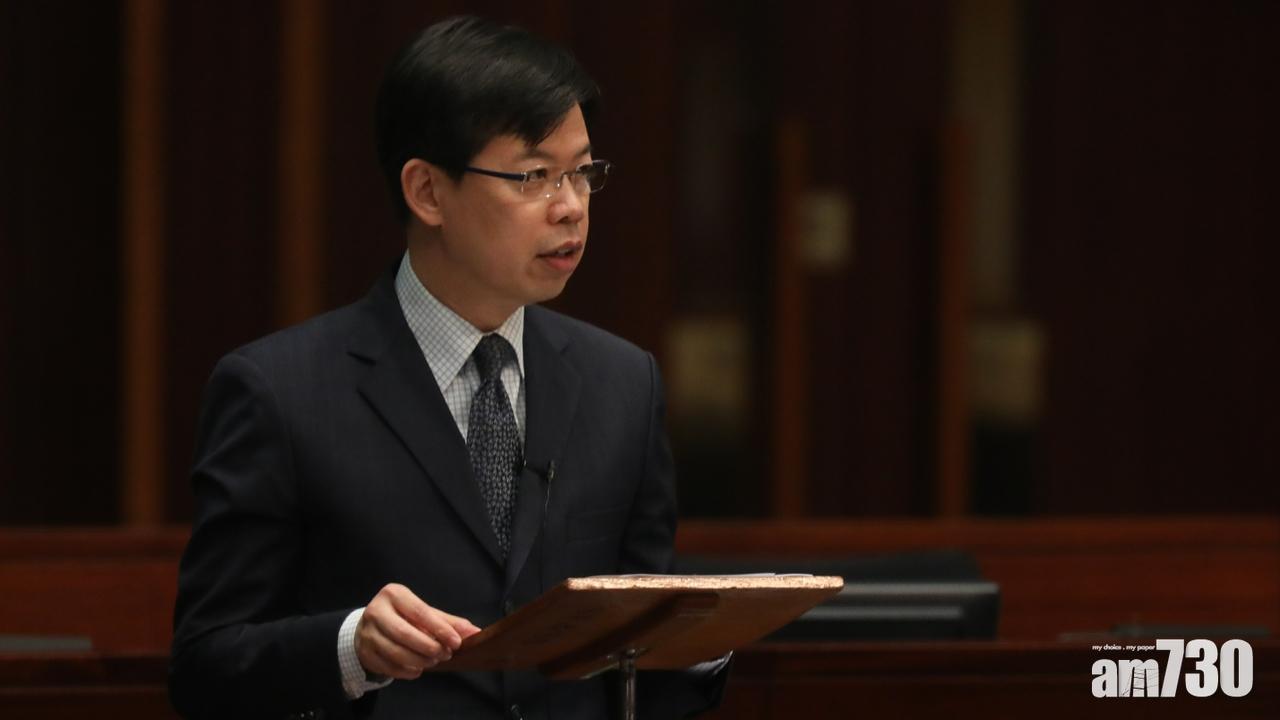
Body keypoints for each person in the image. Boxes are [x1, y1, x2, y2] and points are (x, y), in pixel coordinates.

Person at [168, 15, 728, 720]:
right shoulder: (279, 392)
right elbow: (205, 669)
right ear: (427, 192)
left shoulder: (623, 383)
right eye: (533, 176)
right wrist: (350, 648)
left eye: (583, 173)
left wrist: (702, 640)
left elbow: (644, 664)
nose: (570, 208)